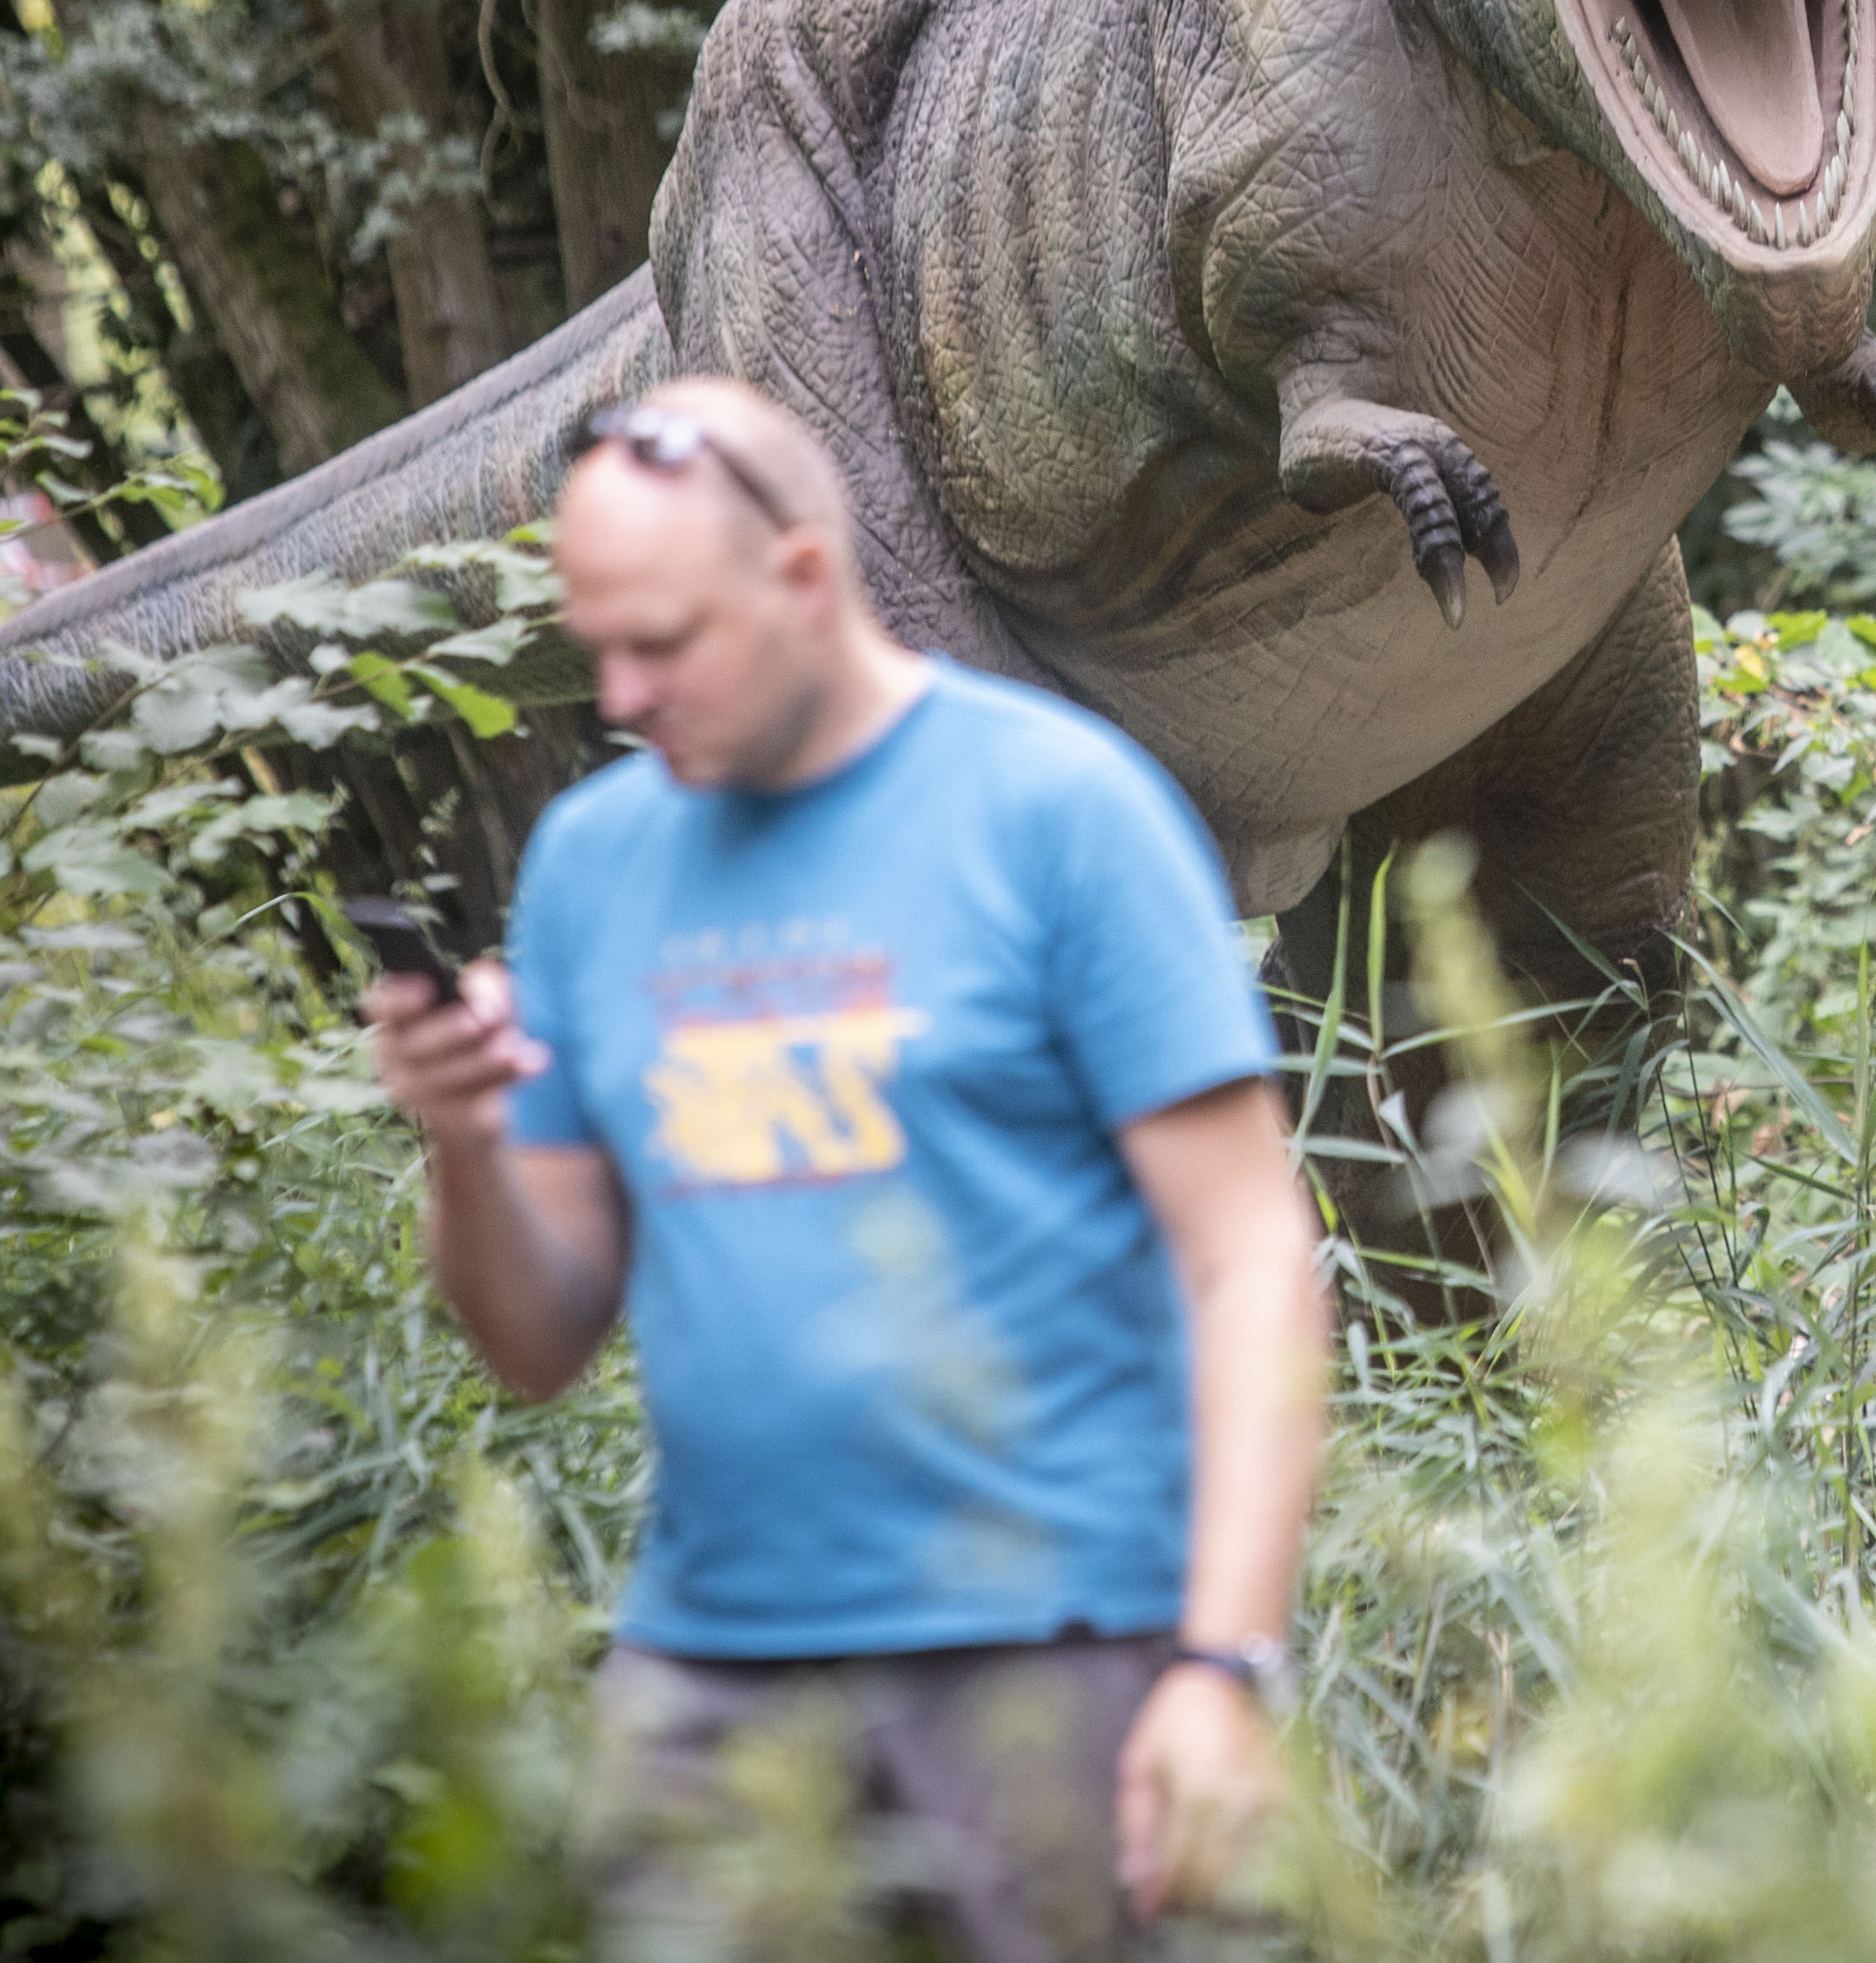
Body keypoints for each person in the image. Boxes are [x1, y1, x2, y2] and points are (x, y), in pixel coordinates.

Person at [362, 380, 1328, 1960]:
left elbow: (1249, 1267)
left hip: (1055, 1659)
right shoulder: (592, 866)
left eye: (664, 643)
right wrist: (460, 1138)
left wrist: (1225, 1668)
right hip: (711, 1683)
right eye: (596, 643)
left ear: (806, 578)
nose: (618, 694)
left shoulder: (1059, 811)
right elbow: (535, 1344)